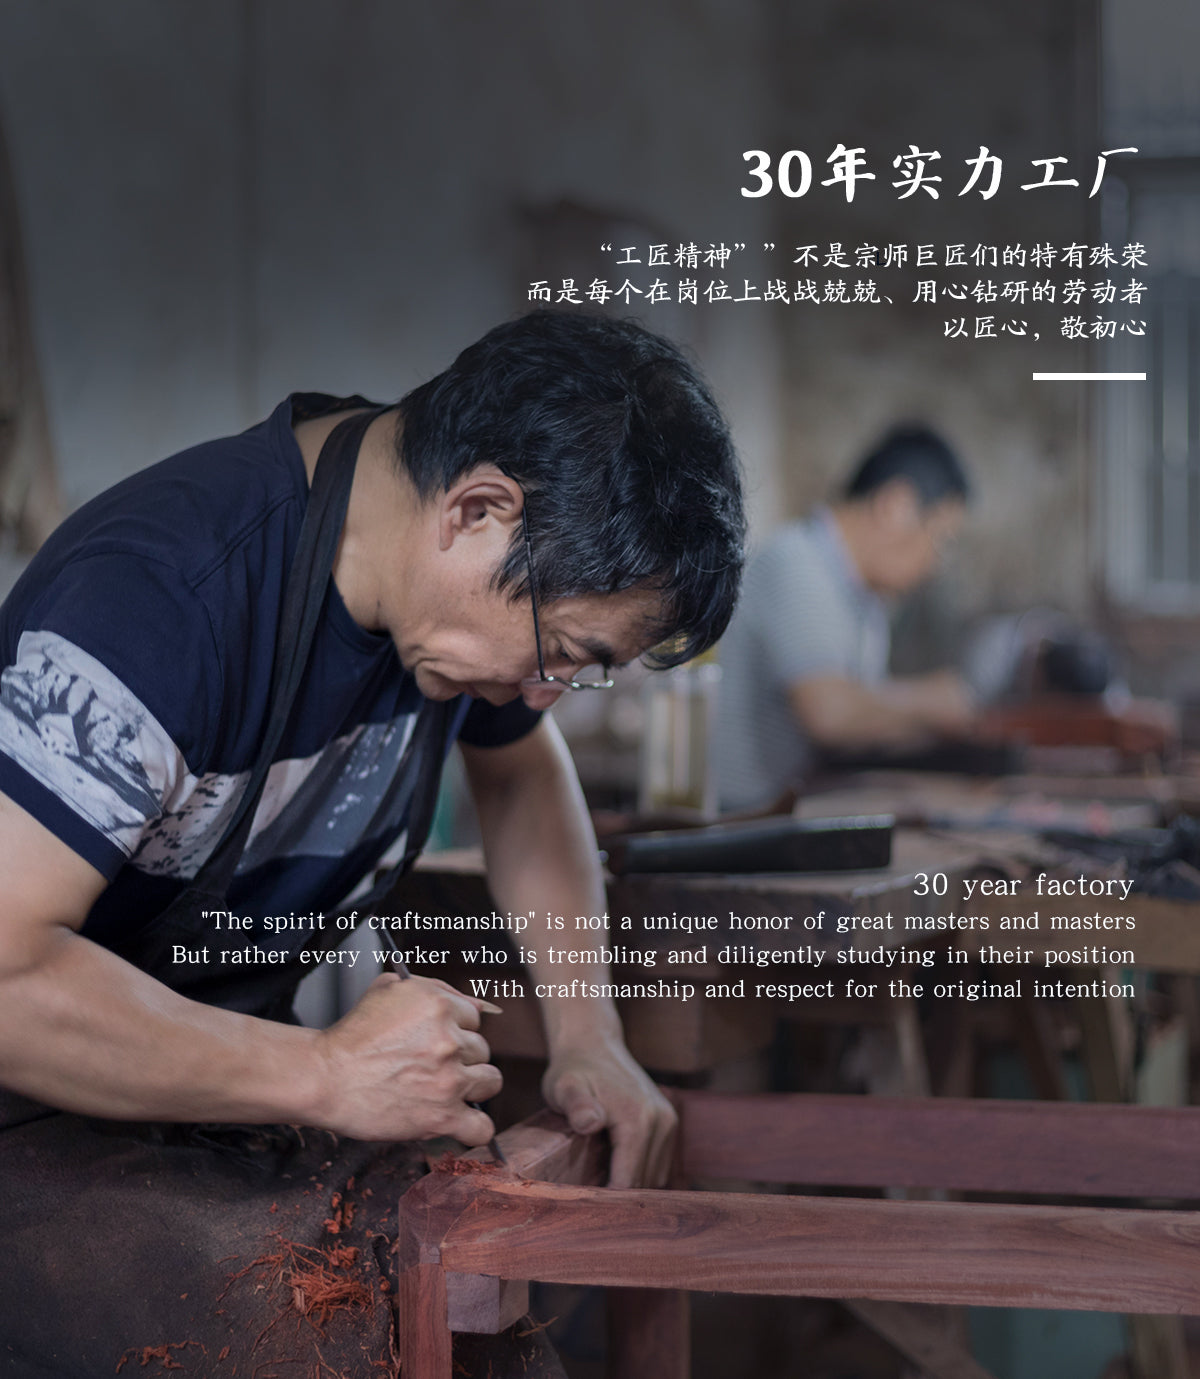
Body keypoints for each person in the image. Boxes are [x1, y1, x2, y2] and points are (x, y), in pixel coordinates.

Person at [0, 310, 745, 1377]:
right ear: (477, 509)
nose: (545, 692)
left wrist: (589, 1031)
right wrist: (322, 1069)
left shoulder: (429, 596)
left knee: (486, 1331)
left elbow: (526, 774)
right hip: (28, 1118)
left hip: (194, 1108)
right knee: (343, 1338)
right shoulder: (165, 597)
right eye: (567, 653)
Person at [717, 425, 971, 812]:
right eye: (940, 539)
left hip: (786, 814)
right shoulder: (797, 563)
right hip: (738, 819)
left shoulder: (866, 601)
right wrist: (934, 701)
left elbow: (870, 721)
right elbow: (831, 714)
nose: (934, 564)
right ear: (895, 505)